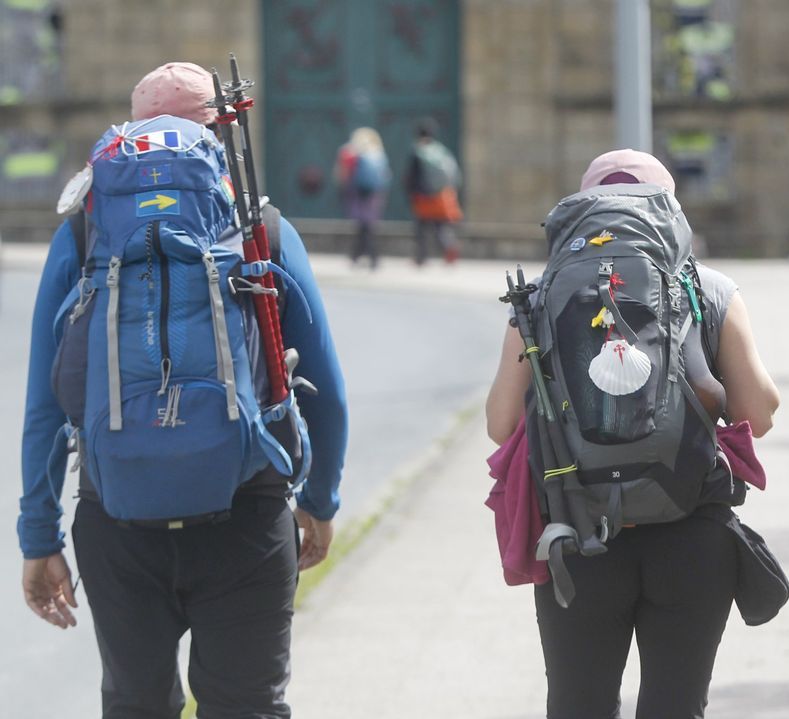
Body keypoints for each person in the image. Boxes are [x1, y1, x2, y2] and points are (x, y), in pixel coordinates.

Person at [18, 61, 348, 718]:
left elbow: (46, 400)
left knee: (137, 704)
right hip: (246, 511)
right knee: (247, 705)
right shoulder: (263, 230)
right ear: (220, 137)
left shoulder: (85, 232)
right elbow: (327, 391)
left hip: (117, 518)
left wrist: (39, 536)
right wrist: (319, 498)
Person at [485, 149, 782, 719]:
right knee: (676, 707)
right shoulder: (709, 287)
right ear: (668, 209)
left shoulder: (544, 294)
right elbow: (759, 414)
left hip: (578, 532)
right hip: (691, 530)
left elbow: (502, 425)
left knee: (579, 706)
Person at [405, 118, 463, 266]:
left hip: (423, 197)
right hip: (441, 195)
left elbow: (411, 176)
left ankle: (421, 257)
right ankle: (449, 247)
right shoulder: (441, 151)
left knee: (421, 229)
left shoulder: (418, 151)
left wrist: (411, 192)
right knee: (440, 227)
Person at [335, 126, 390, 269]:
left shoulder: (353, 152)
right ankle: (362, 256)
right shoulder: (378, 153)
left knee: (364, 226)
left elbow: (344, 174)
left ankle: (367, 256)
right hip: (375, 194)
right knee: (368, 226)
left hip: (359, 194)